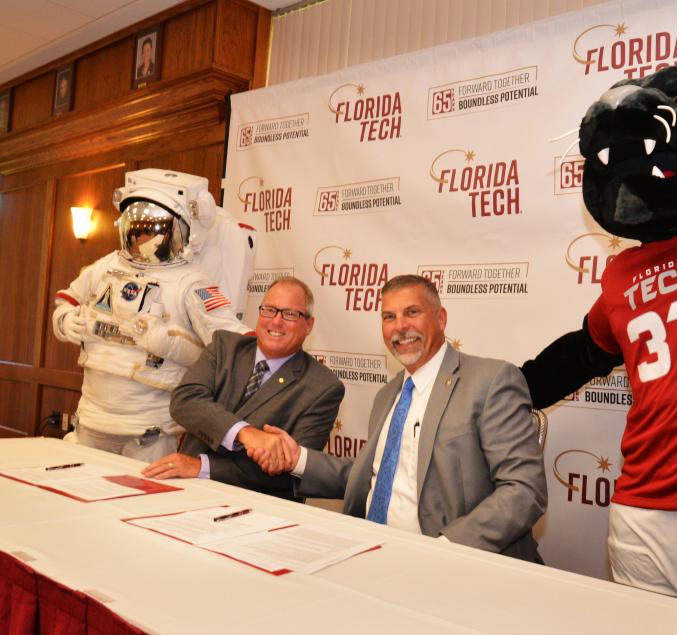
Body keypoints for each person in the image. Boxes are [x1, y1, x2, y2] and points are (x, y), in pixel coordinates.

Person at [251, 275, 547, 560]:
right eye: (389, 317)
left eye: (412, 312)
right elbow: (376, 475)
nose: (400, 326)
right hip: (372, 550)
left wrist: (446, 549)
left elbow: (523, 488)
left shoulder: (490, 380)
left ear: (441, 318)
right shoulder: (388, 394)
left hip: (450, 561)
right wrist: (297, 459)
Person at [52, 169, 254, 462]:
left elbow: (229, 339)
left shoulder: (191, 282)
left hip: (149, 431)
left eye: (155, 230)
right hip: (90, 419)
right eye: (135, 228)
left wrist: (170, 343)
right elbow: (66, 298)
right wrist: (66, 321)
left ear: (183, 233)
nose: (142, 239)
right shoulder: (107, 265)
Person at [142, 277, 344, 501]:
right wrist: (245, 433)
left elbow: (291, 471)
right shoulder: (224, 347)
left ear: (309, 325)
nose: (276, 321)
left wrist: (202, 466)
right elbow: (185, 401)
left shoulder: (323, 388)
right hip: (187, 491)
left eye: (290, 314)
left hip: (258, 507)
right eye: (269, 310)